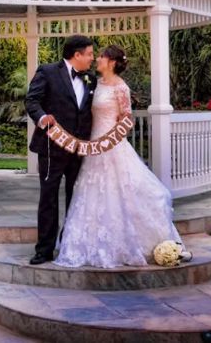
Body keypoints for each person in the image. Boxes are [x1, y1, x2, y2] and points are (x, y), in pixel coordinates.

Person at [54, 44, 185, 268]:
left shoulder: (121, 87)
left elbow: (127, 119)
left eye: (101, 57)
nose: (97, 60)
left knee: (119, 191)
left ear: (112, 62)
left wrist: (109, 140)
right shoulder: (96, 83)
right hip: (93, 145)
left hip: (112, 145)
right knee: (91, 192)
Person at [25, 35, 96, 265]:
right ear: (77, 55)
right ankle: (44, 250)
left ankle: (69, 244)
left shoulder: (91, 80)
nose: (92, 59)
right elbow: (32, 101)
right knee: (49, 198)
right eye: (89, 54)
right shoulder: (47, 71)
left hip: (78, 149)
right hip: (52, 147)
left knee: (76, 199)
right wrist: (42, 117)